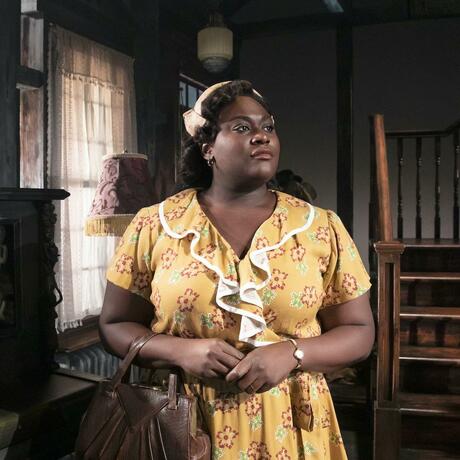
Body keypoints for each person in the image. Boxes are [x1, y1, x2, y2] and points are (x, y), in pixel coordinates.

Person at [100, 80, 374, 459]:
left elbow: (359, 332)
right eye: (242, 127)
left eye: (268, 126)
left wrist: (292, 353)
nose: (262, 136)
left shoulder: (320, 227)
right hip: (179, 424)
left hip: (291, 428)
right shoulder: (155, 225)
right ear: (208, 148)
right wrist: (179, 351)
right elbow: (114, 325)